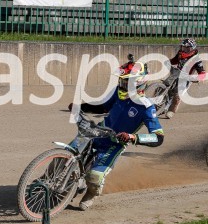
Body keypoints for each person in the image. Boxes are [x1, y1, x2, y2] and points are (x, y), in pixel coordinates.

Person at [68, 56, 164, 210]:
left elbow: (158, 137)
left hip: (115, 143)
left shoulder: (147, 107)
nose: (122, 84)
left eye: (126, 82)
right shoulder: (118, 92)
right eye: (121, 80)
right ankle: (47, 179)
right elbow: (103, 107)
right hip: (97, 132)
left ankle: (90, 193)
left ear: (138, 83)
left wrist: (133, 137)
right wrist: (81, 107)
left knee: (94, 176)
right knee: (68, 152)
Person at [163, 38, 207, 119]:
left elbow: (202, 73)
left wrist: (196, 78)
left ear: (192, 48)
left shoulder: (197, 59)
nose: (184, 50)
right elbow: (174, 61)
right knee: (166, 86)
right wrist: (168, 62)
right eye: (183, 47)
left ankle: (171, 111)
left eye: (187, 48)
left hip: (186, 78)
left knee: (177, 95)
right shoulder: (180, 53)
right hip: (177, 73)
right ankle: (159, 102)